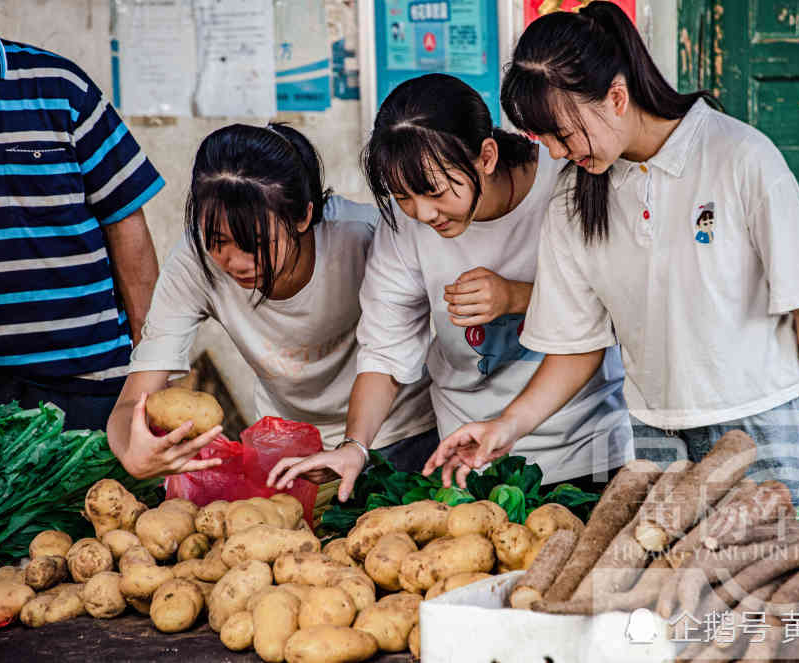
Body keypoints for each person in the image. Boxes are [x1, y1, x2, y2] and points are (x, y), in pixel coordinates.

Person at [424, 2, 799, 510]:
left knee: (795, 583)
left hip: (770, 435)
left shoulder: (740, 157)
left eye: (564, 133)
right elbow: (575, 346)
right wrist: (504, 427)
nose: (556, 153)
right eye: (545, 139)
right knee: (681, 590)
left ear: (617, 96)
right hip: (658, 444)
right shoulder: (572, 198)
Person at [269, 74, 633, 502]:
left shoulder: (567, 182)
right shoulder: (404, 224)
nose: (423, 213)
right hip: (467, 460)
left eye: (435, 191)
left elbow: (614, 306)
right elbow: (385, 347)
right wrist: (355, 446)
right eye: (402, 196)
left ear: (487, 156)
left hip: (584, 449)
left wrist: (516, 296)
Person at [106, 123, 435, 479]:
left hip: (403, 434)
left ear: (303, 217)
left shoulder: (364, 237)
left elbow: (403, 345)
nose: (237, 262)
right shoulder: (194, 263)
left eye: (255, 244)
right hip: (291, 449)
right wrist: (132, 449)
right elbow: (134, 397)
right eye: (218, 240)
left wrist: (353, 446)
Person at [0, 19, 162, 430]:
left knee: (105, 494)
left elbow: (126, 220)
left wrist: (152, 362)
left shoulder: (58, 86)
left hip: (87, 383)